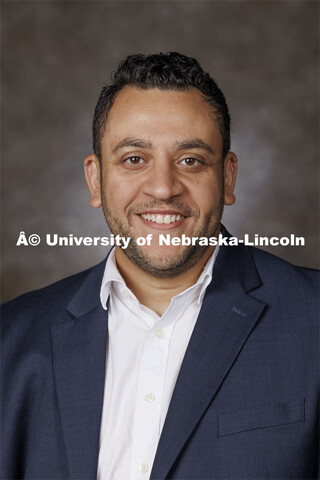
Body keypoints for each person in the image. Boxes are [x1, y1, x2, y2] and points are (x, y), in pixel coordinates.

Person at [1, 52, 318, 480]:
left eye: (191, 160)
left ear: (228, 177)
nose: (163, 187)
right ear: (96, 180)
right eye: (134, 159)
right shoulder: (11, 339)